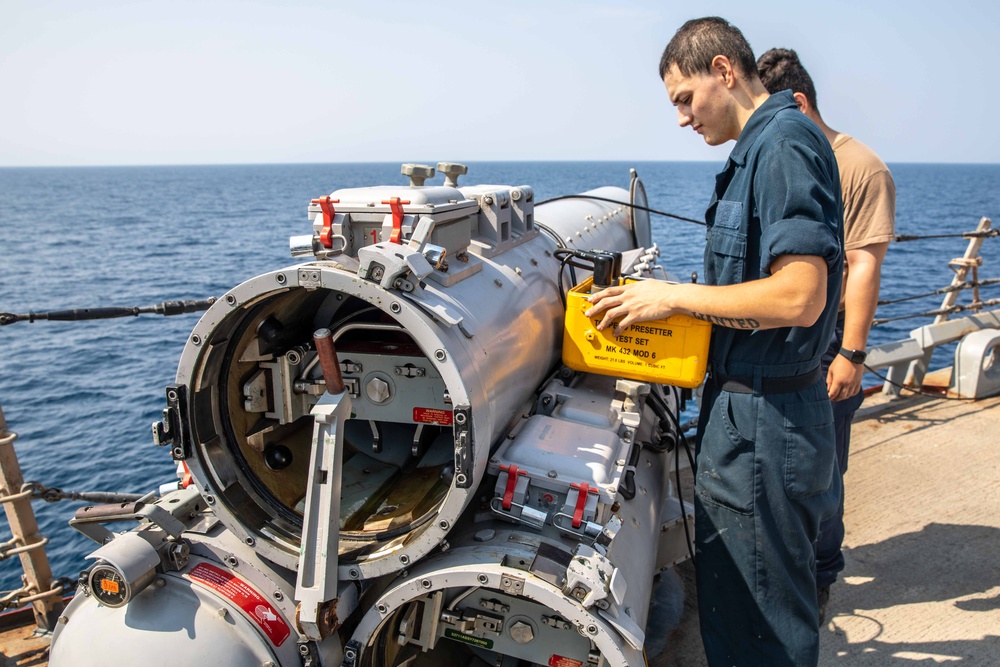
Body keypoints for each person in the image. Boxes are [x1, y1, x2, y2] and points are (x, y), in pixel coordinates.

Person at [585, 17, 843, 667]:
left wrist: (671, 297)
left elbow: (799, 293)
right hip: (745, 415)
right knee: (737, 614)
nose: (681, 118)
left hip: (767, 423)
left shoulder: (783, 144)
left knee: (764, 636)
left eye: (683, 98)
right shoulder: (758, 150)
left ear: (724, 72)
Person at [757, 47, 896, 624]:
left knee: (821, 475)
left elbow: (863, 263)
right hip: (775, 342)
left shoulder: (859, 166)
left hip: (828, 344)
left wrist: (852, 353)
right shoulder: (777, 153)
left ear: (799, 103)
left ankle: (818, 576)